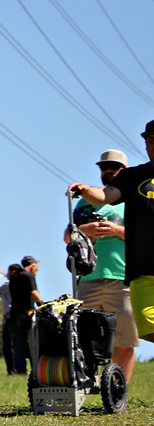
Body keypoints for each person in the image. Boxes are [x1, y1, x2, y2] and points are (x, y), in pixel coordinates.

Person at [69, 121, 154, 345]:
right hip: (143, 270)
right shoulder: (134, 176)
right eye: (149, 140)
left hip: (122, 277)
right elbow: (105, 195)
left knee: (127, 340)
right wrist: (86, 190)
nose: (153, 144)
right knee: (148, 326)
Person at [62, 149, 138, 381]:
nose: (108, 172)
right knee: (84, 336)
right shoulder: (85, 203)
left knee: (125, 339)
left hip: (122, 276)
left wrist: (116, 230)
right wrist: (84, 230)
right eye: (104, 168)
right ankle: (86, 384)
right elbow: (67, 236)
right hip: (88, 278)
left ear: (123, 171)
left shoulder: (133, 200)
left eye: (113, 168)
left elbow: (146, 235)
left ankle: (118, 389)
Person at [8, 255, 42, 374]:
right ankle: (36, 370)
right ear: (32, 265)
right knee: (31, 342)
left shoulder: (14, 277)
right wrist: (42, 306)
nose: (37, 269)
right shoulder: (29, 276)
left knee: (18, 346)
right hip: (27, 314)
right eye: (37, 266)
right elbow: (34, 292)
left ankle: (20, 370)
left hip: (14, 315)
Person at [0, 263, 23, 374]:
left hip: (10, 316)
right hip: (21, 316)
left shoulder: (7, 285)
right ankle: (19, 368)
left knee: (9, 345)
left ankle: (12, 370)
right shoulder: (22, 283)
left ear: (13, 272)